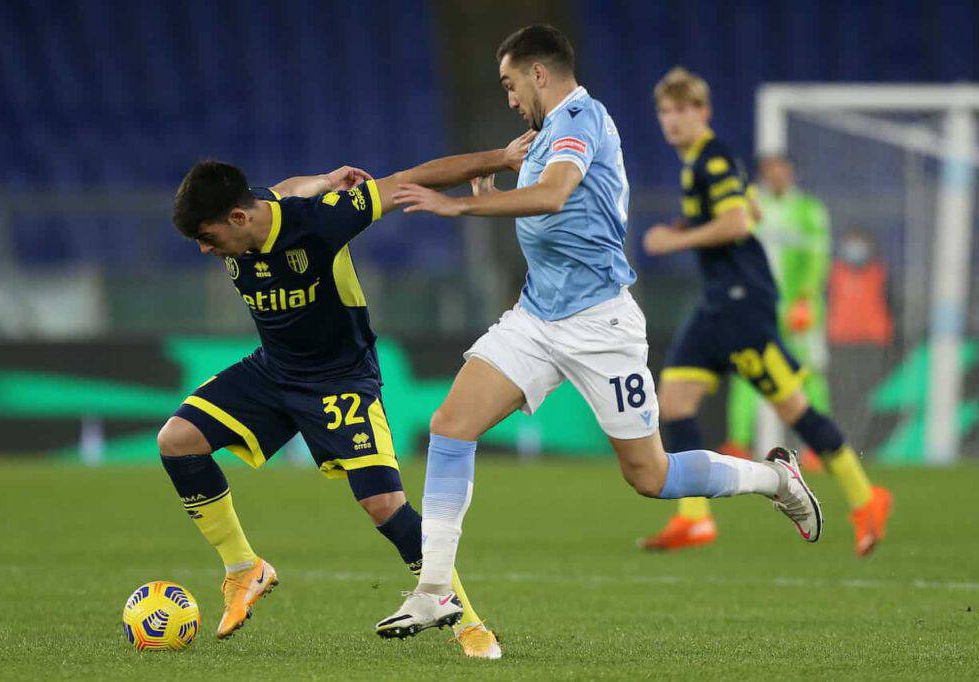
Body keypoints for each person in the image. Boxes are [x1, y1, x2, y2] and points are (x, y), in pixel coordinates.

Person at [376, 26, 822, 639]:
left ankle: (775, 478)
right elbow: (554, 217)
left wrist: (463, 206)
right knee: (451, 426)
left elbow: (556, 195)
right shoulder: (543, 136)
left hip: (600, 326)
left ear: (539, 74)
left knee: (652, 477)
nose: (508, 98)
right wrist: (498, 194)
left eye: (510, 84)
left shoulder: (582, 118)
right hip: (536, 318)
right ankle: (433, 591)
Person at [160, 139, 536, 659]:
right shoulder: (261, 208)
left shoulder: (321, 223)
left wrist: (500, 159)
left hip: (341, 380)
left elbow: (410, 178)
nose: (205, 249)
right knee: (178, 441)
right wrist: (322, 175)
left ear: (240, 217)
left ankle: (468, 623)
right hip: (273, 370)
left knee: (384, 504)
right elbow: (286, 189)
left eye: (207, 236)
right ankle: (245, 568)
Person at [641, 67, 892, 557]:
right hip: (718, 302)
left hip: (742, 306)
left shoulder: (711, 160)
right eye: (665, 111)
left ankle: (867, 497)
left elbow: (734, 223)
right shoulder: (703, 163)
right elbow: (744, 209)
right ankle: (694, 518)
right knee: (673, 403)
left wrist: (675, 238)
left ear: (702, 112)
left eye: (682, 110)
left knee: (793, 407)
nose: (672, 120)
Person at [722, 156, 832, 469]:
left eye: (783, 170)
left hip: (799, 311)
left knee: (808, 375)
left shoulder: (809, 210)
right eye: (772, 171)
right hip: (758, 308)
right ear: (763, 175)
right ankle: (739, 443)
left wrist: (806, 299)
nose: (778, 176)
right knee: (746, 371)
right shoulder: (750, 207)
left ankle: (821, 447)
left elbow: (817, 258)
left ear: (791, 172)